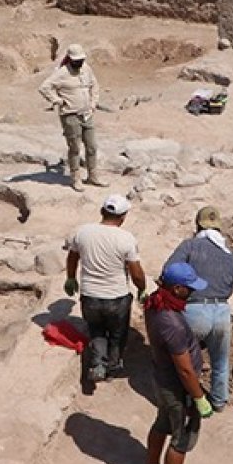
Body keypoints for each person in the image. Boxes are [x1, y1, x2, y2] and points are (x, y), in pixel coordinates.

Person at [142, 262, 213, 464]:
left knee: (162, 423)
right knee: (181, 438)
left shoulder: (155, 301)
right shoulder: (171, 322)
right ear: (178, 289)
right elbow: (184, 368)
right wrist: (199, 397)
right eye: (190, 288)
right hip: (177, 387)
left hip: (161, 380)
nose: (193, 292)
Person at [64, 194, 146, 384]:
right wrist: (142, 288)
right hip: (117, 298)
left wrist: (70, 278)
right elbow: (136, 273)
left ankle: (98, 364)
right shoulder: (126, 239)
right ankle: (113, 366)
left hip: (90, 296)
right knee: (117, 334)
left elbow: (72, 257)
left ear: (102, 211)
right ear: (123, 217)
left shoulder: (83, 232)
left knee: (97, 330)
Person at [166, 206, 233, 412]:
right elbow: (230, 286)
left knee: (186, 360)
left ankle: (187, 398)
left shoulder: (190, 246)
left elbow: (170, 270)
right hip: (222, 311)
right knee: (220, 361)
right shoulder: (230, 254)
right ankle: (219, 401)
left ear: (197, 225)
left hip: (194, 310)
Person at [39, 43, 108, 192]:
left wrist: (93, 102)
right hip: (70, 115)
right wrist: (57, 100)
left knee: (92, 146)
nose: (79, 63)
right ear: (70, 59)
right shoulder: (62, 73)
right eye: (76, 60)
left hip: (86, 114)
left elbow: (94, 86)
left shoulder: (86, 69)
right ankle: (76, 177)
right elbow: (44, 87)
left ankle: (93, 175)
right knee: (75, 147)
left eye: (81, 59)